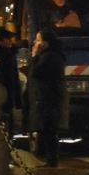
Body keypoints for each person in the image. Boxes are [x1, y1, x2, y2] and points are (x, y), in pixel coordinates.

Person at [25, 29, 66, 167]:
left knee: (49, 129)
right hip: (45, 97)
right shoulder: (51, 56)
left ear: (45, 44)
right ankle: (48, 158)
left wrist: (34, 56)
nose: (35, 43)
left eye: (38, 40)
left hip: (47, 98)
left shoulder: (50, 57)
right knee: (46, 129)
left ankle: (51, 160)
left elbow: (35, 73)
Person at [0, 27, 22, 137]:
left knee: (7, 120)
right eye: (7, 39)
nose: (10, 41)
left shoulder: (9, 53)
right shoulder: (1, 55)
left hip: (7, 92)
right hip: (2, 93)